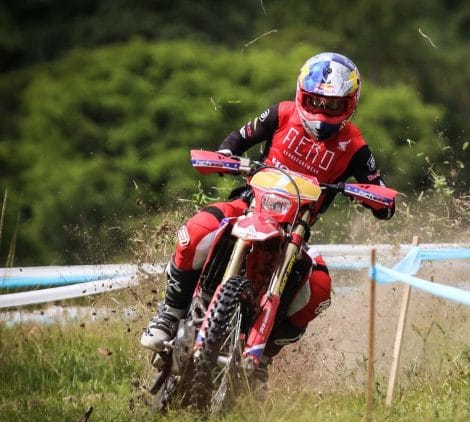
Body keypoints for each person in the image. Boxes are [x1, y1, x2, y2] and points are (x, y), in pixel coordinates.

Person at [140, 52, 395, 381]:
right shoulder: (282, 113)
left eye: (333, 105)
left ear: (349, 104)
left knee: (319, 288)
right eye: (315, 101)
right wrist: (227, 156)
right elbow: (239, 138)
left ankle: (264, 357)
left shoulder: (355, 145)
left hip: (295, 229)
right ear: (301, 94)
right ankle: (169, 314)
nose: (322, 111)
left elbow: (380, 192)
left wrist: (374, 198)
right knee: (196, 230)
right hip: (249, 204)